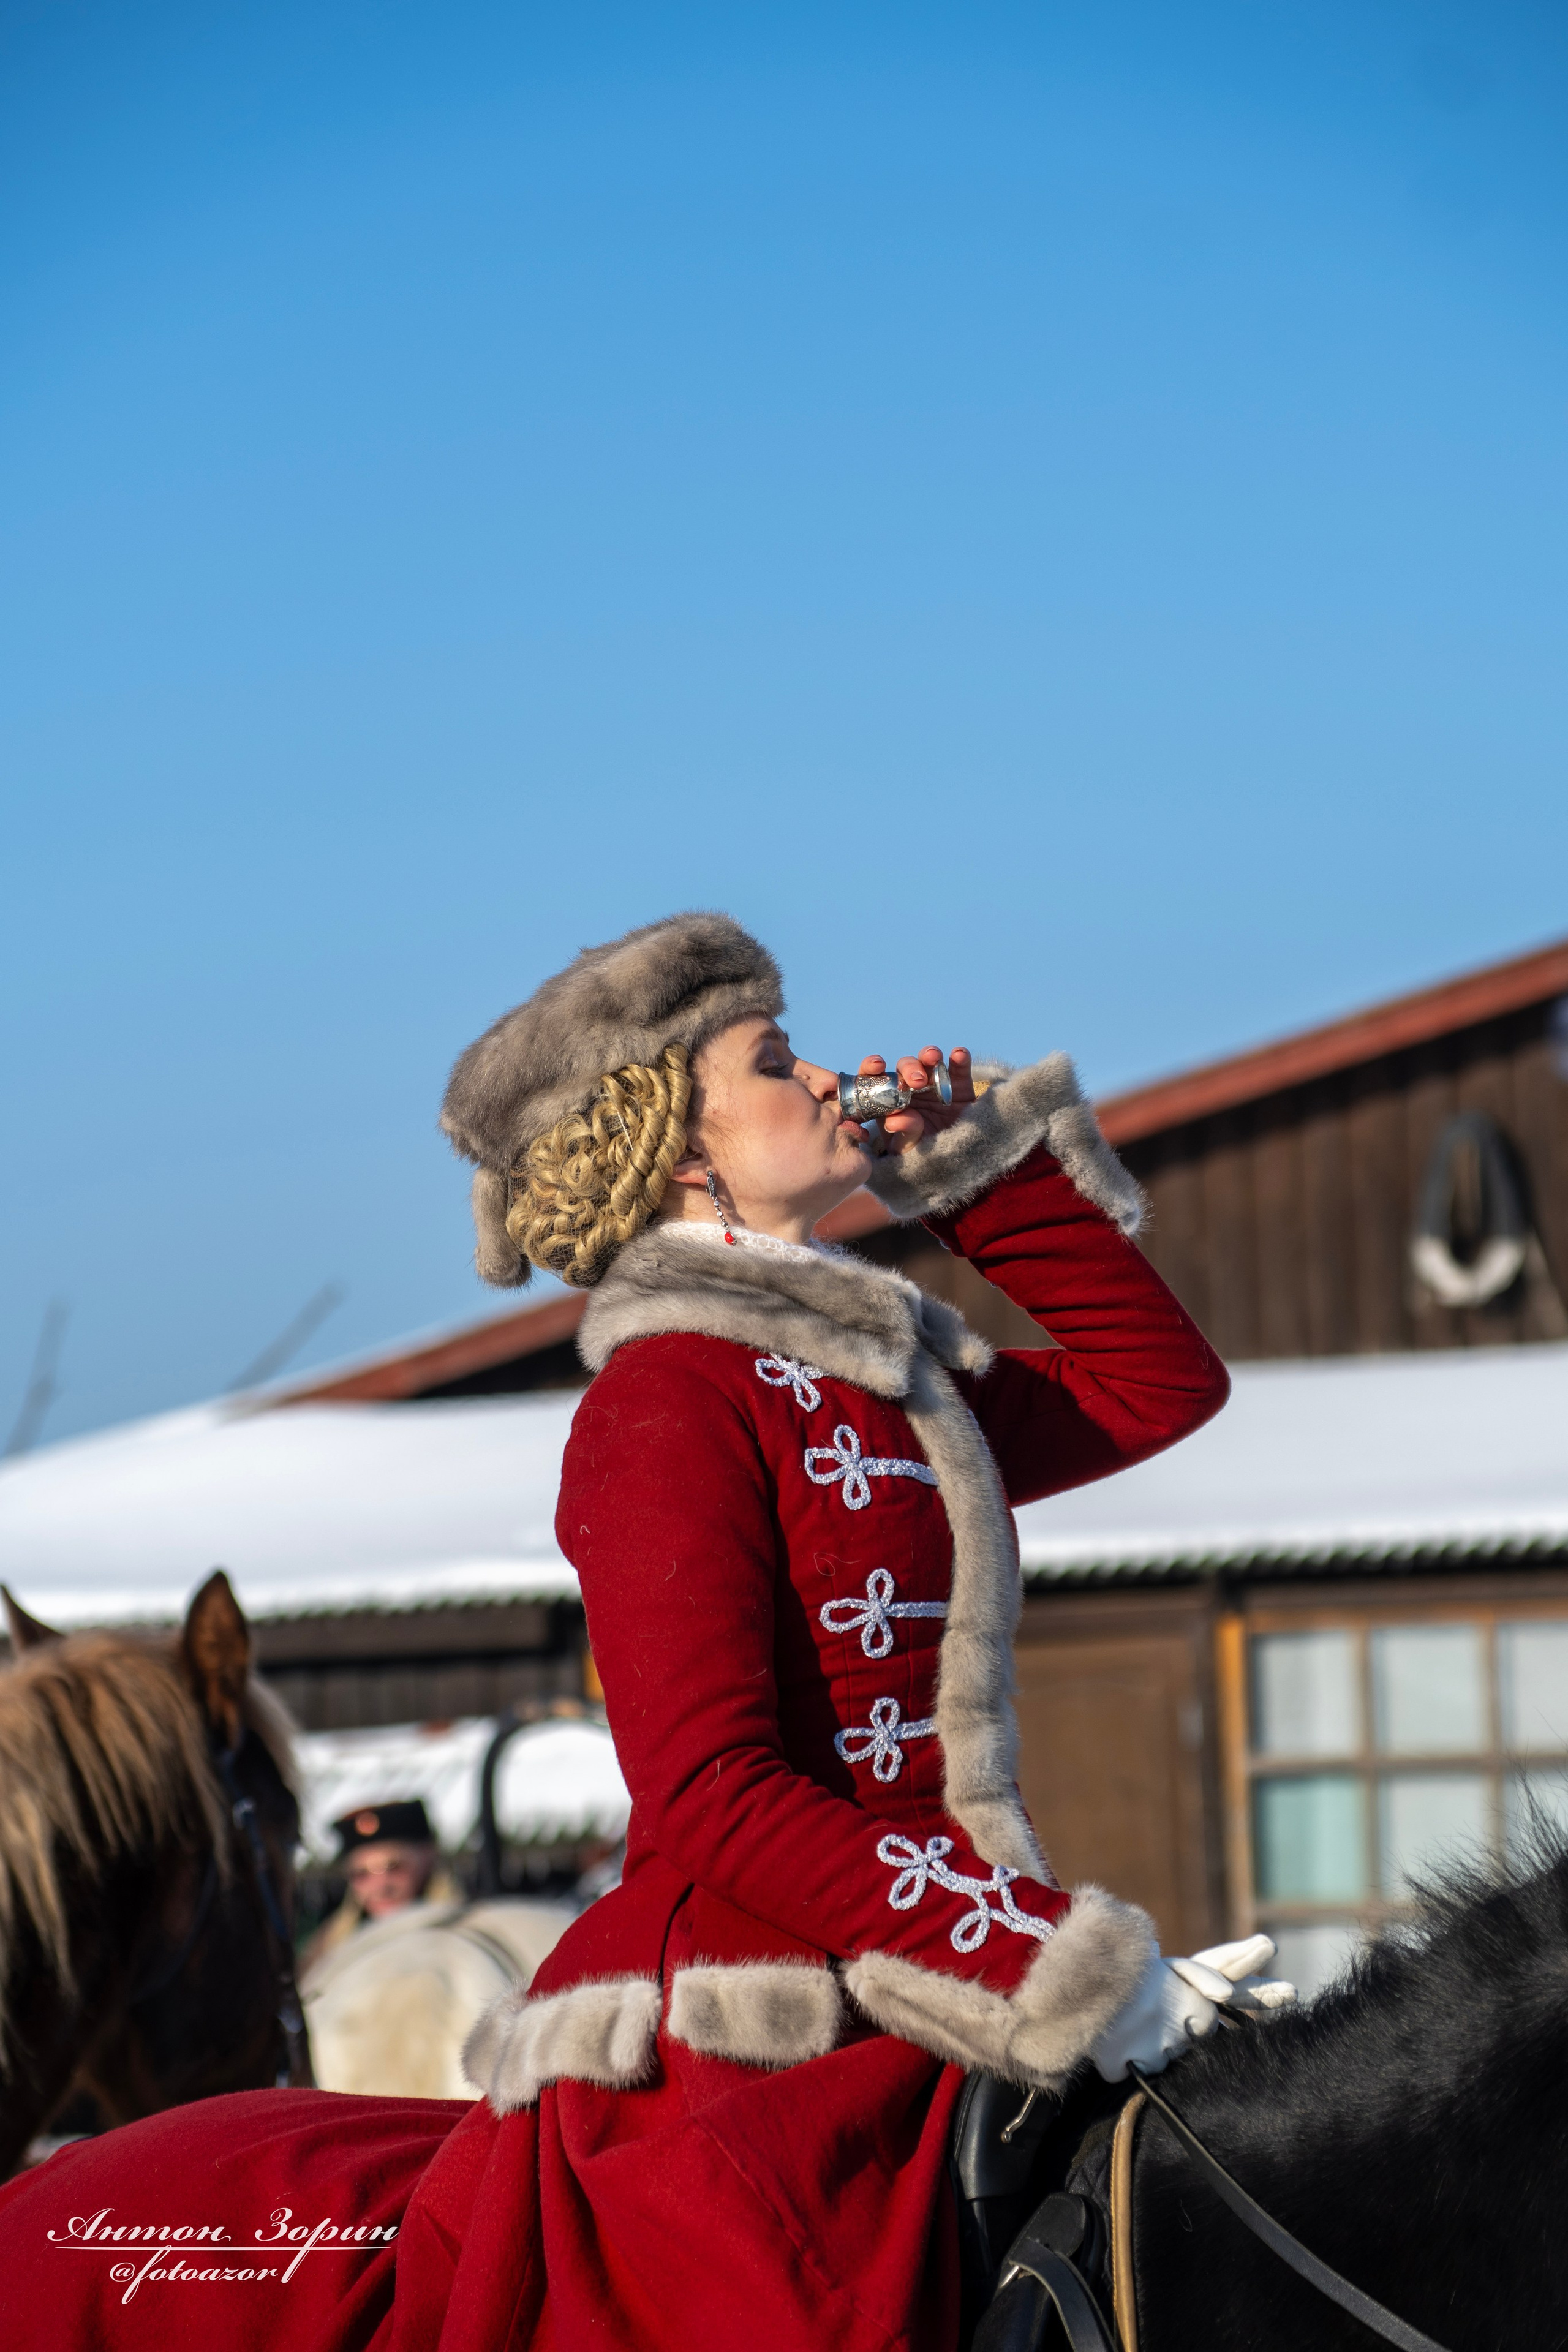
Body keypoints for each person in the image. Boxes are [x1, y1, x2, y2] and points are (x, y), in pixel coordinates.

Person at [0, 912, 1291, 2352]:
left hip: (952, 1973)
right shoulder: (663, 1400)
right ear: (680, 1135)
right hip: (761, 2043)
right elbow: (712, 1795)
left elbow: (1154, 1385)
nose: (822, 1079)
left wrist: (976, 1170)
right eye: (774, 1059)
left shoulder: (894, 1382)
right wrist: (1050, 1959)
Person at [300, 1802, 459, 1980]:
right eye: (361, 1874)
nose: (381, 1885)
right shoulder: (326, 1952)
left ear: (428, 1858)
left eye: (394, 1867)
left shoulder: (464, 1933)